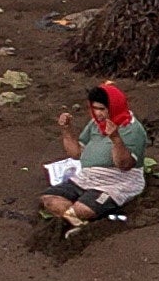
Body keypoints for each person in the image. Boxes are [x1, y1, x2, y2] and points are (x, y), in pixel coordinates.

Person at [43, 84, 150, 231]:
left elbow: (125, 165)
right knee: (49, 199)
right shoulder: (95, 123)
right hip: (88, 176)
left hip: (117, 181)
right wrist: (66, 130)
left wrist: (116, 139)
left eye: (102, 109)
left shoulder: (132, 129)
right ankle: (76, 223)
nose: (98, 113)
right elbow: (76, 153)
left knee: (82, 210)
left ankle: (74, 218)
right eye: (95, 108)